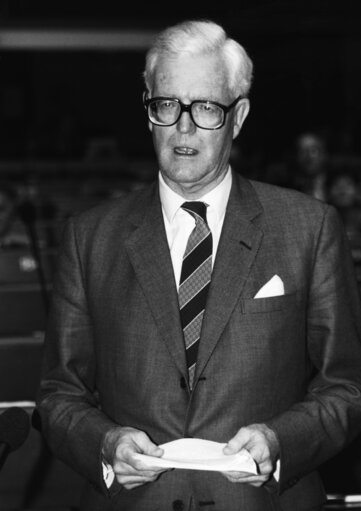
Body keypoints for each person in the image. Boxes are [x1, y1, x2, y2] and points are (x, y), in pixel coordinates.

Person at [37, 20, 361, 511]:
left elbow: (347, 388)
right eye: (167, 104)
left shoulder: (309, 229)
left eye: (206, 107)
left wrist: (281, 441)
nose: (183, 127)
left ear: (240, 116)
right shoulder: (90, 237)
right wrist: (105, 446)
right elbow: (59, 394)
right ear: (147, 110)